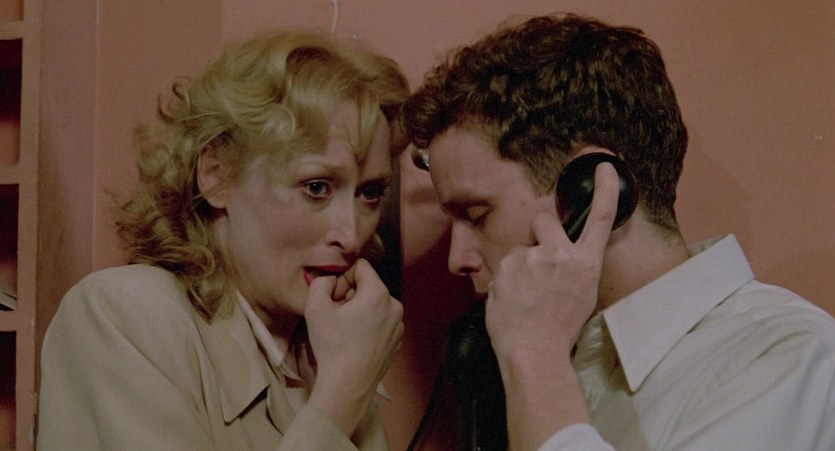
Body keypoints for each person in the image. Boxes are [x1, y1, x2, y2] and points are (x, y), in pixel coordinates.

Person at [402, 13, 835, 451]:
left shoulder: (789, 356)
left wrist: (535, 357)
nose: (458, 259)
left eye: (477, 214)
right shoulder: (564, 360)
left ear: (592, 188)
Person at [38, 29, 410, 450]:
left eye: (370, 193)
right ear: (216, 175)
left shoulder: (334, 344)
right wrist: (340, 398)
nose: (351, 235)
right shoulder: (122, 314)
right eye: (316, 187)